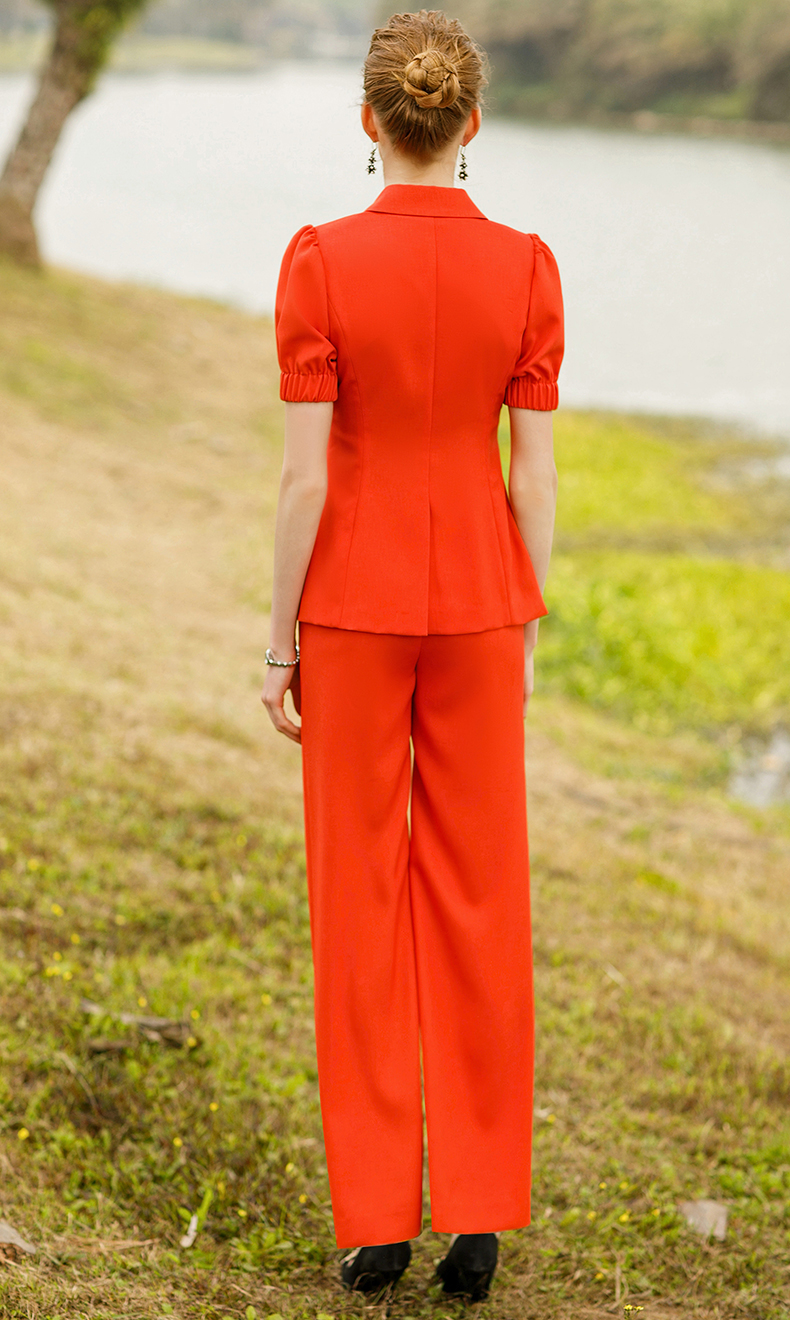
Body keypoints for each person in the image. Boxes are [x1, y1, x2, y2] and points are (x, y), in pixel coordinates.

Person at [261, 7, 564, 1302]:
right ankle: (479, 1219)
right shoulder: (530, 267)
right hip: (482, 610)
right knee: (482, 899)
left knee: (360, 905)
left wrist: (277, 641)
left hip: (351, 610)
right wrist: (523, 620)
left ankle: (378, 1223)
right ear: (470, 122)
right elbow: (531, 474)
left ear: (370, 123)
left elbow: (303, 481)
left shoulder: (319, 260)